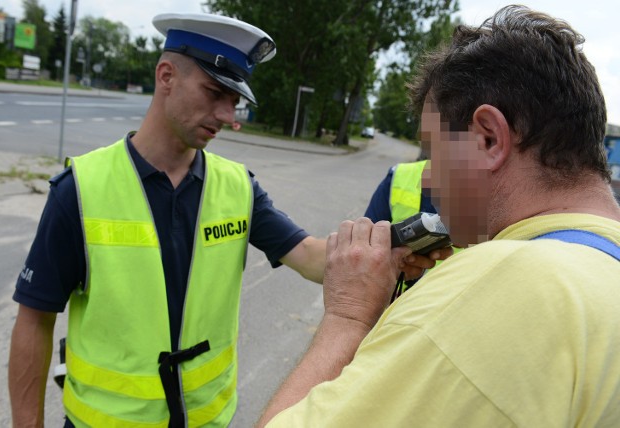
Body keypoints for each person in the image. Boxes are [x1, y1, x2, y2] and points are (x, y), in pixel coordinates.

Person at [257, 5, 620, 427]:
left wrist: (348, 317)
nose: (428, 177)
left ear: (488, 138)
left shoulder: (498, 287)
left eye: (434, 150)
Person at [7, 13, 329, 428]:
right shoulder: (81, 189)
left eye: (235, 101)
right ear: (166, 76)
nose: (228, 116)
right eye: (215, 92)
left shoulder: (237, 187)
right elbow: (34, 320)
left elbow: (308, 255)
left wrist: (393, 247)